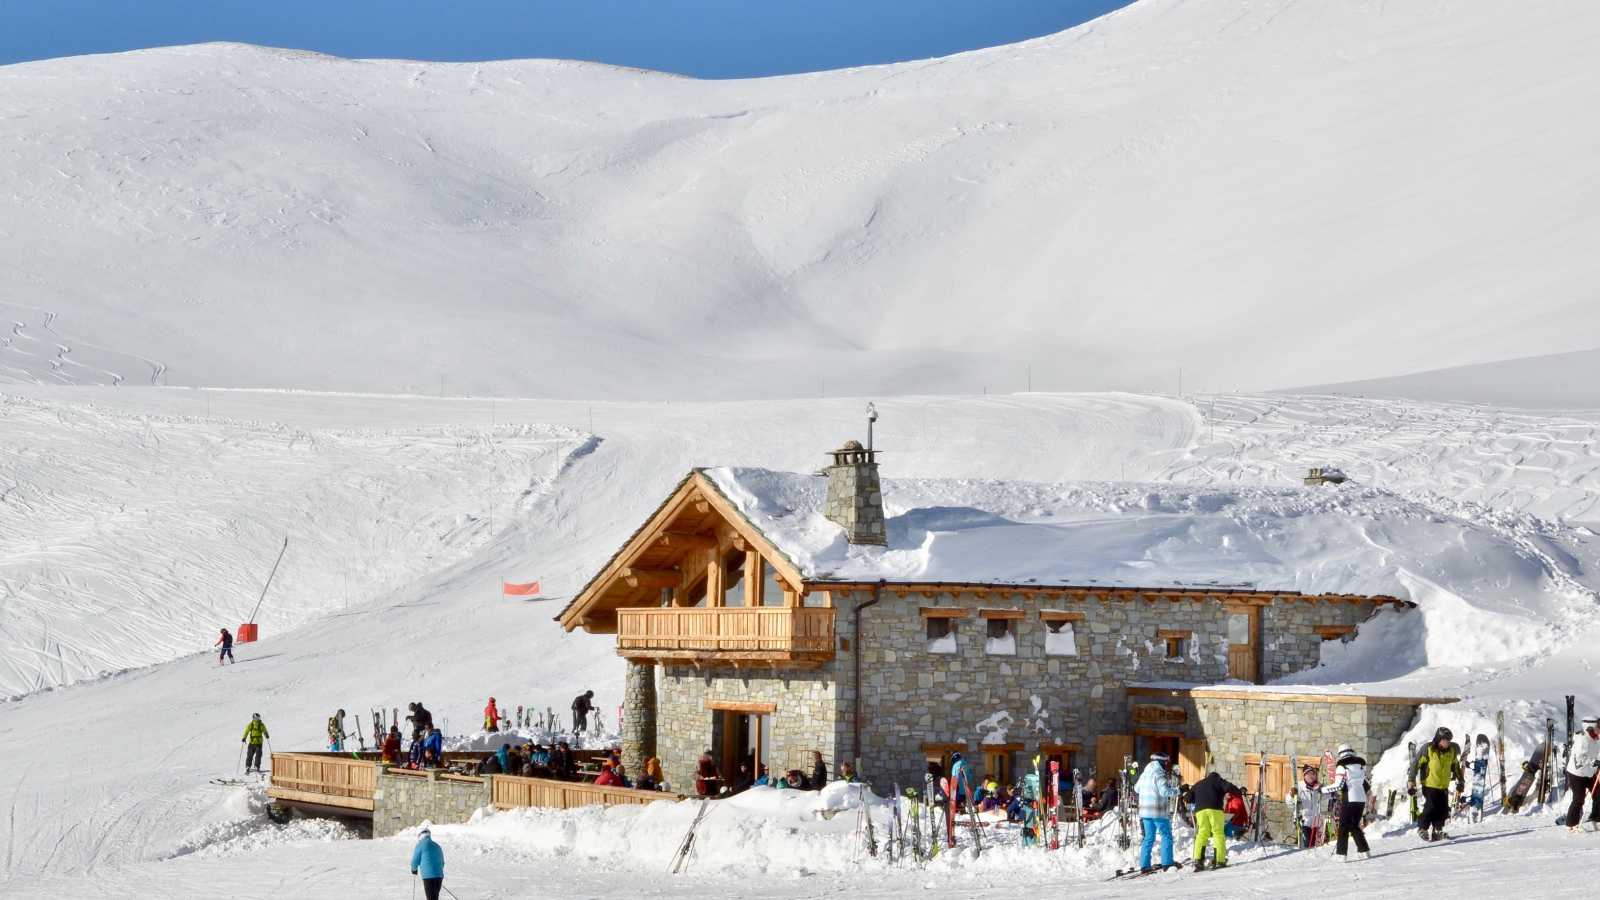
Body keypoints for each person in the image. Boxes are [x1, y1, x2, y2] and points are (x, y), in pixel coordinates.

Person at [1408, 727, 1463, 841]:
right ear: (1440, 739)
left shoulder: (1451, 751)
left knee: (1442, 809)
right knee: (1431, 807)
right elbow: (1416, 764)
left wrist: (1461, 780)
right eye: (1447, 740)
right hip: (1429, 784)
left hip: (1443, 785)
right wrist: (1411, 781)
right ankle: (1423, 828)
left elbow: (1456, 766)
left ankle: (1437, 830)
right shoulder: (1428, 749)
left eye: (1449, 741)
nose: (1449, 743)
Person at [1183, 769, 1243, 870]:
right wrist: (1239, 792)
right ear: (1217, 776)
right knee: (1218, 833)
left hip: (1200, 811)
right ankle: (1219, 861)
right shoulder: (1219, 781)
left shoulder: (1199, 784)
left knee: (1202, 834)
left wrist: (1198, 798)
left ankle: (1198, 861)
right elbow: (1229, 787)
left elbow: (1187, 798)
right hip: (1215, 810)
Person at [1325, 743, 1372, 861]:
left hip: (1349, 798)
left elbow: (1338, 785)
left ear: (1341, 754)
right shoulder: (1360, 767)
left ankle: (1341, 854)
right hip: (1361, 799)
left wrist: (1323, 789)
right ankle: (1364, 850)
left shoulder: (1342, 767)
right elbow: (1367, 784)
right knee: (1354, 825)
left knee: (1343, 826)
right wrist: (1359, 792)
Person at [1135, 753, 1178, 874]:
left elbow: (1136, 789)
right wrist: (1178, 790)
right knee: (1166, 836)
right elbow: (1164, 792)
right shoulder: (1159, 774)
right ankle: (1167, 863)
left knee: (1148, 838)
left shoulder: (1144, 774)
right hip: (1158, 811)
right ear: (1162, 762)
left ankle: (1144, 865)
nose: (1166, 765)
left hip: (1144, 810)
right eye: (1165, 763)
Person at [1565, 715, 1600, 833]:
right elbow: (1580, 758)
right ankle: (1572, 825)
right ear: (1590, 727)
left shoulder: (1593, 738)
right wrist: (1595, 762)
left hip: (1589, 772)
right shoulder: (1583, 740)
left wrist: (1596, 763)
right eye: (1598, 726)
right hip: (1577, 773)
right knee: (1579, 799)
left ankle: (1597, 819)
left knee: (1598, 795)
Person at [1287, 766, 1323, 847]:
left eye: (1313, 774)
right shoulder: (1298, 786)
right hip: (1303, 821)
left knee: (1314, 846)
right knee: (1306, 845)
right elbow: (1288, 802)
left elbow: (1329, 796)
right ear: (1304, 775)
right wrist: (1292, 795)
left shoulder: (1318, 786)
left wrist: (1331, 792)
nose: (1312, 776)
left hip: (1315, 822)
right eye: (1309, 774)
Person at [410, 824, 445, 900]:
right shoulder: (437, 845)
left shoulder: (420, 845)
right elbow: (442, 862)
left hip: (428, 876)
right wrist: (437, 872)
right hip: (439, 875)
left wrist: (414, 870)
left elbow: (415, 861)